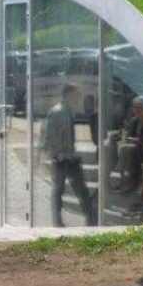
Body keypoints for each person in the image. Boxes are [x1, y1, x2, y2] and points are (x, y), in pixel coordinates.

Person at [42, 85, 96, 226]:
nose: (78, 98)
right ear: (67, 94)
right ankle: (57, 221)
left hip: (70, 158)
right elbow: (51, 136)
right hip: (62, 159)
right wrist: (59, 154)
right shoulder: (57, 112)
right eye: (75, 94)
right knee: (59, 190)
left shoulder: (68, 111)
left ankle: (91, 219)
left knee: (81, 190)